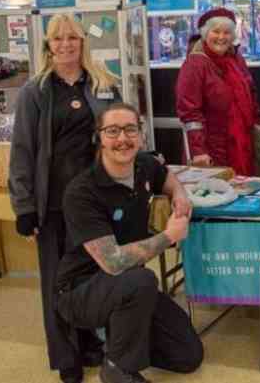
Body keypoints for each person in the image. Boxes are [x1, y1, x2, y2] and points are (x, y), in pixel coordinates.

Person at [55, 103, 203, 383]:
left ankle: (118, 335)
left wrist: (180, 195)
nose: (122, 138)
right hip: (80, 290)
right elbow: (112, 262)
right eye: (112, 131)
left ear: (141, 134)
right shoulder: (81, 192)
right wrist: (169, 235)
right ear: (99, 137)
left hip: (127, 285)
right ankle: (117, 367)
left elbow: (166, 175)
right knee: (142, 279)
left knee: (188, 356)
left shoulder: (144, 165)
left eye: (130, 129)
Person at [8, 13, 120, 383]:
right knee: (57, 281)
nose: (66, 45)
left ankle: (89, 342)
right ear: (47, 46)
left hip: (93, 202)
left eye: (72, 38)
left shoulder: (101, 83)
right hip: (53, 203)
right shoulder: (35, 92)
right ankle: (66, 356)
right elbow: (22, 150)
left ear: (83, 43)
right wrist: (24, 206)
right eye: (57, 40)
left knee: (91, 275)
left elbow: (119, 134)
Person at [176, 7, 260, 175]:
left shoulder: (236, 58)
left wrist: (256, 120)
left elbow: (251, 90)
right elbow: (190, 111)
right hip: (212, 150)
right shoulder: (195, 65)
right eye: (216, 31)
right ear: (205, 34)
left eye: (227, 32)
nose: (221, 37)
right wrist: (198, 150)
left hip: (241, 144)